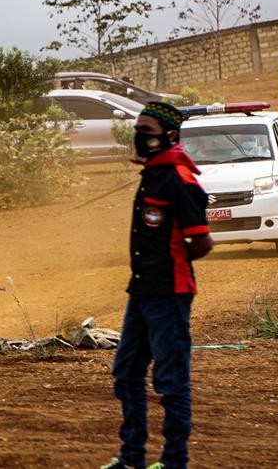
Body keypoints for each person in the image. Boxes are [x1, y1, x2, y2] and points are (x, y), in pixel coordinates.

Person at [102, 101, 214, 469]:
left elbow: (202, 243)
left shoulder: (179, 180)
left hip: (170, 294)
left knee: (170, 381)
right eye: (138, 130)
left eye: (146, 132)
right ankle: (132, 457)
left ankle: (174, 461)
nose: (139, 137)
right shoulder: (153, 174)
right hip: (141, 291)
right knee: (127, 372)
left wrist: (168, 267)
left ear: (169, 136)